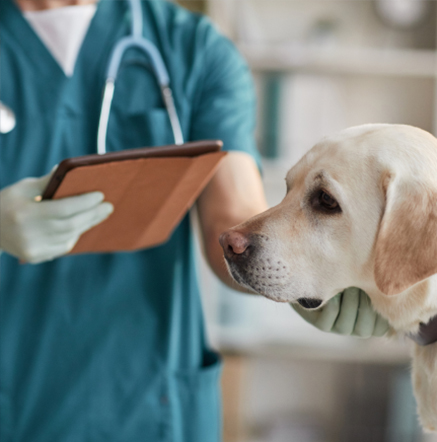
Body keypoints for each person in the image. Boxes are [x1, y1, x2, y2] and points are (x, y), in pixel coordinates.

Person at [0, 0, 389, 440]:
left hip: (151, 407)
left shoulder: (195, 51)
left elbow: (229, 220)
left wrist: (290, 269)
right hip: (16, 400)